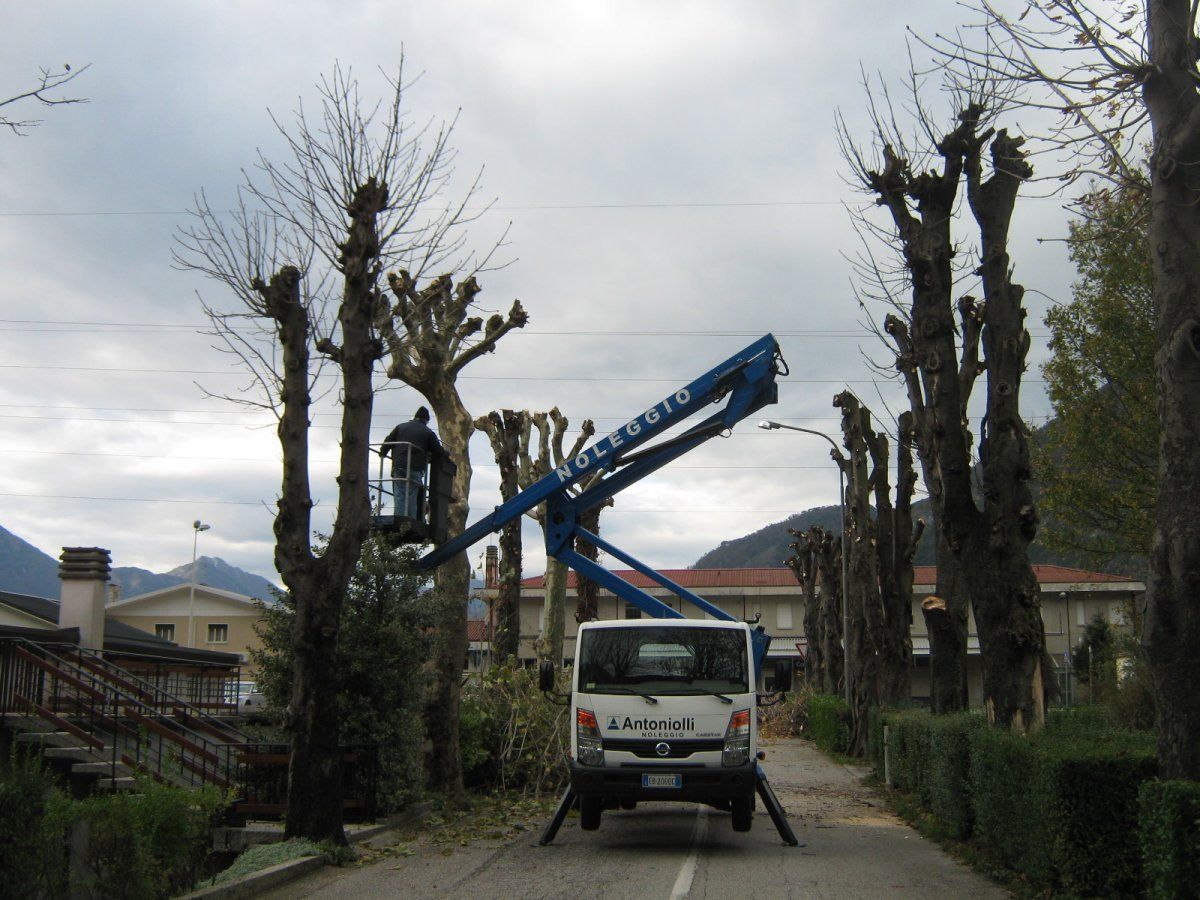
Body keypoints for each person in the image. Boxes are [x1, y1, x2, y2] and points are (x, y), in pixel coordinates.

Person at [381, 406, 442, 518]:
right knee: (411, 496)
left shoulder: (400, 427)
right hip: (415, 468)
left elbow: (387, 442)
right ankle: (409, 520)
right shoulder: (428, 432)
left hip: (398, 466)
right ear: (426, 420)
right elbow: (438, 451)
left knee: (399, 494)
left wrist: (383, 453)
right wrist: (447, 455)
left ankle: (399, 518)